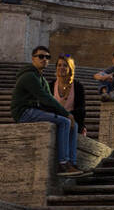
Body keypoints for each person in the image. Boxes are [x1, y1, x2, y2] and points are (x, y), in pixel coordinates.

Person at [11, 46, 81, 174]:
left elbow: (49, 102)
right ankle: (63, 163)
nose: (44, 59)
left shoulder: (41, 78)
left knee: (73, 124)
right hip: (24, 112)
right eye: (41, 56)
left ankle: (73, 163)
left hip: (35, 111)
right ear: (33, 58)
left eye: (47, 57)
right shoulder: (29, 76)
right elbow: (46, 99)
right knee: (65, 122)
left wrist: (67, 115)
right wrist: (66, 114)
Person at [52, 54, 87, 135]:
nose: (61, 68)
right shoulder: (51, 85)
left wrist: (68, 115)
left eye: (65, 65)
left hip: (72, 123)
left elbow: (81, 110)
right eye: (59, 65)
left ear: (70, 68)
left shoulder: (78, 87)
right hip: (55, 121)